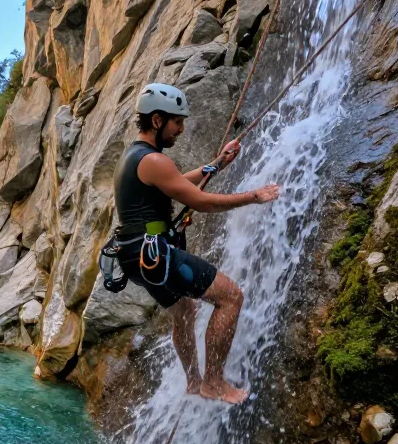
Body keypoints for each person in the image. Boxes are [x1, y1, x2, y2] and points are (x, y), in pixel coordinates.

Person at [112, 83, 280, 404]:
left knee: (185, 310)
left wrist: (217, 163)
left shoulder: (136, 157)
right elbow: (202, 202)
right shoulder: (154, 161)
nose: (182, 129)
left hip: (136, 257)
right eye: (177, 122)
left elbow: (175, 181)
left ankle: (193, 381)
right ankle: (213, 381)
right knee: (231, 297)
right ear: (158, 120)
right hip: (156, 257)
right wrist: (253, 197)